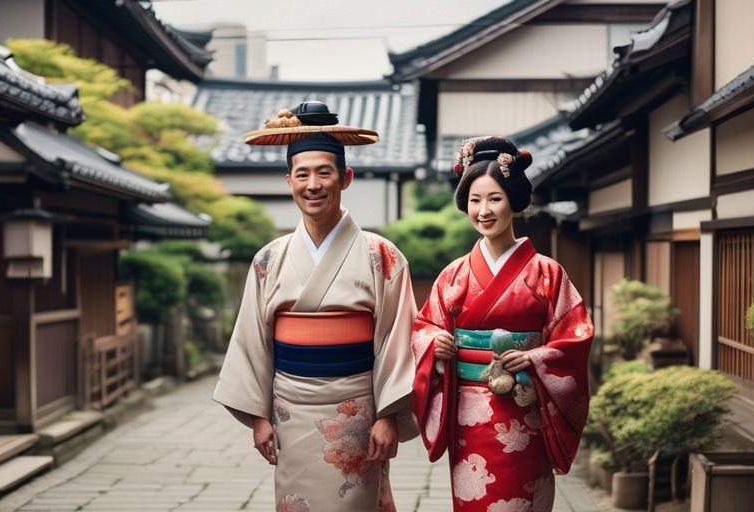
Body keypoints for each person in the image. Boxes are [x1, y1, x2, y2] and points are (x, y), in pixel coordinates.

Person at [213, 101, 417, 512]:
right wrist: (258, 417)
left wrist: (389, 414)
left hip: (357, 413)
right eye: (302, 174)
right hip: (291, 414)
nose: (313, 184)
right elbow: (251, 343)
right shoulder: (268, 259)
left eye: (325, 173)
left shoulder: (382, 255)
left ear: (346, 177)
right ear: (288, 181)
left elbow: (400, 338)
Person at [410, 136, 594, 511]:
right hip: (468, 416)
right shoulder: (454, 275)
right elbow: (423, 326)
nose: (484, 210)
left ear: (514, 200)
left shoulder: (546, 272)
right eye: (475, 201)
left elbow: (575, 335)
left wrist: (536, 358)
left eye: (494, 198)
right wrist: (435, 343)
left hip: (525, 409)